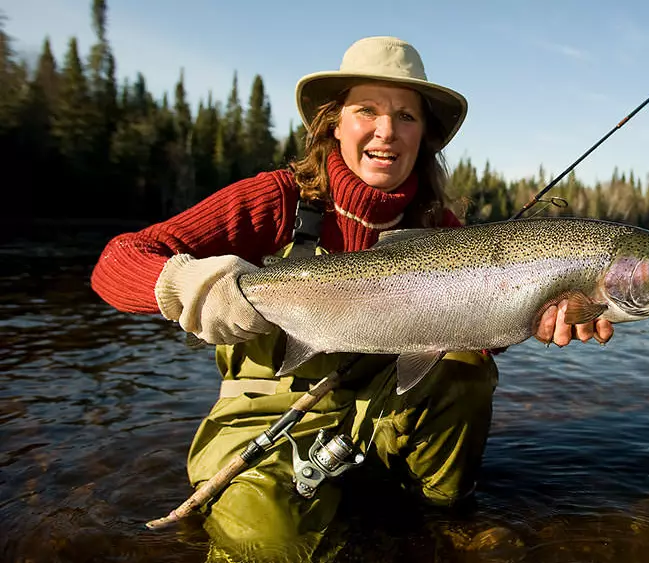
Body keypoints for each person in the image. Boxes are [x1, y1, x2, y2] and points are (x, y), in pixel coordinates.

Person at [91, 36, 613, 561]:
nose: (387, 131)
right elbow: (116, 262)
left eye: (406, 116)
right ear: (333, 123)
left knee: (465, 370)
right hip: (272, 418)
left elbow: (470, 337)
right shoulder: (277, 199)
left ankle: (441, 520)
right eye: (368, 110)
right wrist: (191, 286)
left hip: (383, 414)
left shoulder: (440, 228)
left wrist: (533, 315)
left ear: (425, 135)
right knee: (265, 548)